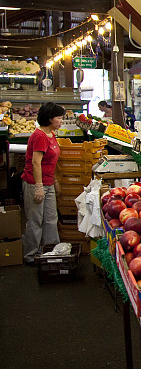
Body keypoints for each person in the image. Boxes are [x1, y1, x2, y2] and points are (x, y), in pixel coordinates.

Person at [22, 102, 65, 265]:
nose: (61, 121)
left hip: (48, 182)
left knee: (50, 219)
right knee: (35, 220)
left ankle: (52, 251)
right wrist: (39, 187)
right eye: (59, 118)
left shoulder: (51, 134)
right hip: (35, 183)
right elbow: (35, 163)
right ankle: (31, 255)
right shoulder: (40, 136)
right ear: (49, 119)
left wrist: (54, 180)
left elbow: (50, 162)